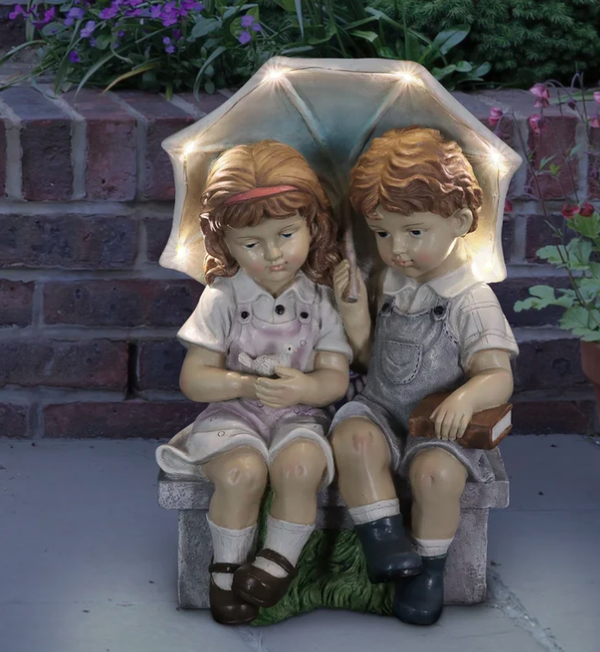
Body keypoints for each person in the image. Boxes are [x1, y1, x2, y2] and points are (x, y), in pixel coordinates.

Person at [156, 140, 351, 625]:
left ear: (313, 226)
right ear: (225, 243)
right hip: (235, 414)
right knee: (240, 473)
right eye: (251, 243)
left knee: (300, 467)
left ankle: (276, 564)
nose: (272, 253)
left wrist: (304, 389)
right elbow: (194, 379)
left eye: (286, 234)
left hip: (299, 415)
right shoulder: (222, 297)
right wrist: (244, 385)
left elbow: (334, 378)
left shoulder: (321, 300)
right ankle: (225, 572)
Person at [331, 126, 519, 626]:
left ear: (460, 221)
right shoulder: (388, 282)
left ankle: (429, 568)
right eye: (382, 232)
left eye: (414, 232)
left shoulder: (471, 300)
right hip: (381, 410)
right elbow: (371, 362)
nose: (397, 248)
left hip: (440, 428)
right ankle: (383, 536)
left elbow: (498, 375)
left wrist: (466, 397)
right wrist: (354, 317)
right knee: (352, 437)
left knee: (436, 474)